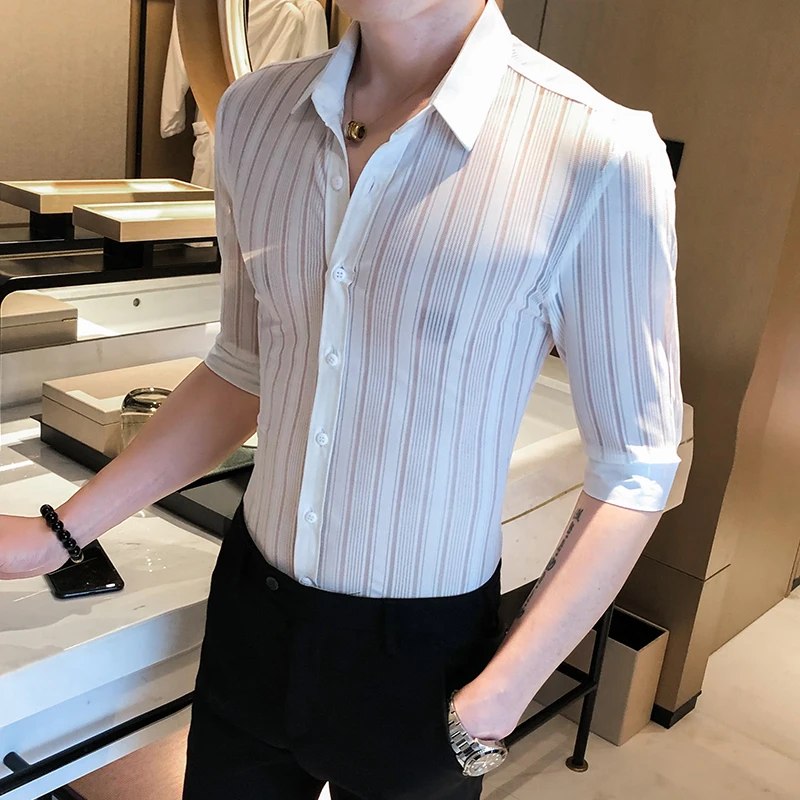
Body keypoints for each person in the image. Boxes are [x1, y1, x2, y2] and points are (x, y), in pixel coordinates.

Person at [0, 0, 683, 797]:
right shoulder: (253, 115)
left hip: (425, 655)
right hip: (253, 614)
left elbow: (635, 468)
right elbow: (242, 367)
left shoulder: (598, 151)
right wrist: (60, 536)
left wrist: (499, 699)